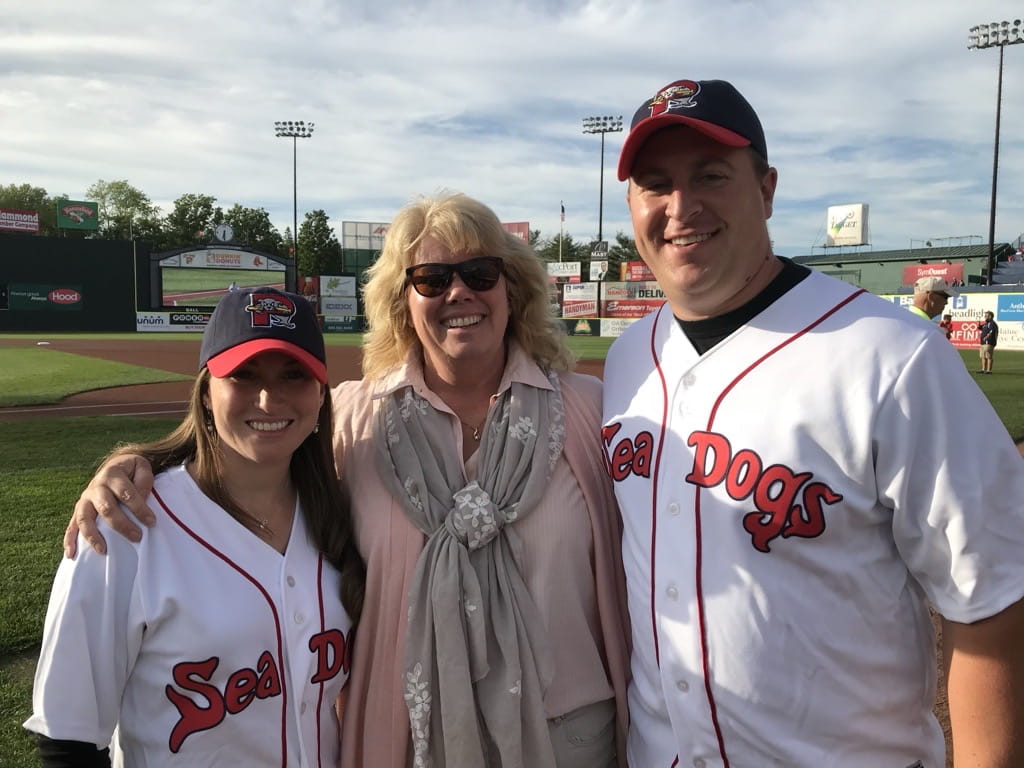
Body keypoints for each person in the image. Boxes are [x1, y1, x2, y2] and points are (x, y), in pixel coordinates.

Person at [64, 193, 631, 768]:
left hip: (570, 736)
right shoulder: (352, 419)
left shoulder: (589, 411)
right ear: (401, 302)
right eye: (431, 279)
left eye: (480, 273)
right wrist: (134, 463)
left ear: (514, 288)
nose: (458, 292)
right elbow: (248, 446)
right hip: (410, 735)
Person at [605, 77, 1024, 767]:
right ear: (632, 206)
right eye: (656, 184)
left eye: (711, 175)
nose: (681, 207)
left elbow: (994, 605)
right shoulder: (626, 363)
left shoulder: (891, 354)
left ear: (766, 190)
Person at [26, 287, 365, 765]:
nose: (269, 398)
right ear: (207, 392)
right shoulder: (125, 529)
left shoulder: (338, 513)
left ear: (320, 393)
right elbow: (69, 741)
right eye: (244, 375)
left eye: (294, 374)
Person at [979, 309, 998, 374]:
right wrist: (979, 326)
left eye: (986, 316)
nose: (985, 317)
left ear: (990, 316)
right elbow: (981, 328)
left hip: (989, 342)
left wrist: (986, 337)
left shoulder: (992, 323)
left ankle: (989, 370)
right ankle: (983, 369)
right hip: (983, 342)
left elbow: (991, 331)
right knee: (983, 356)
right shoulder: (986, 323)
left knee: (988, 356)